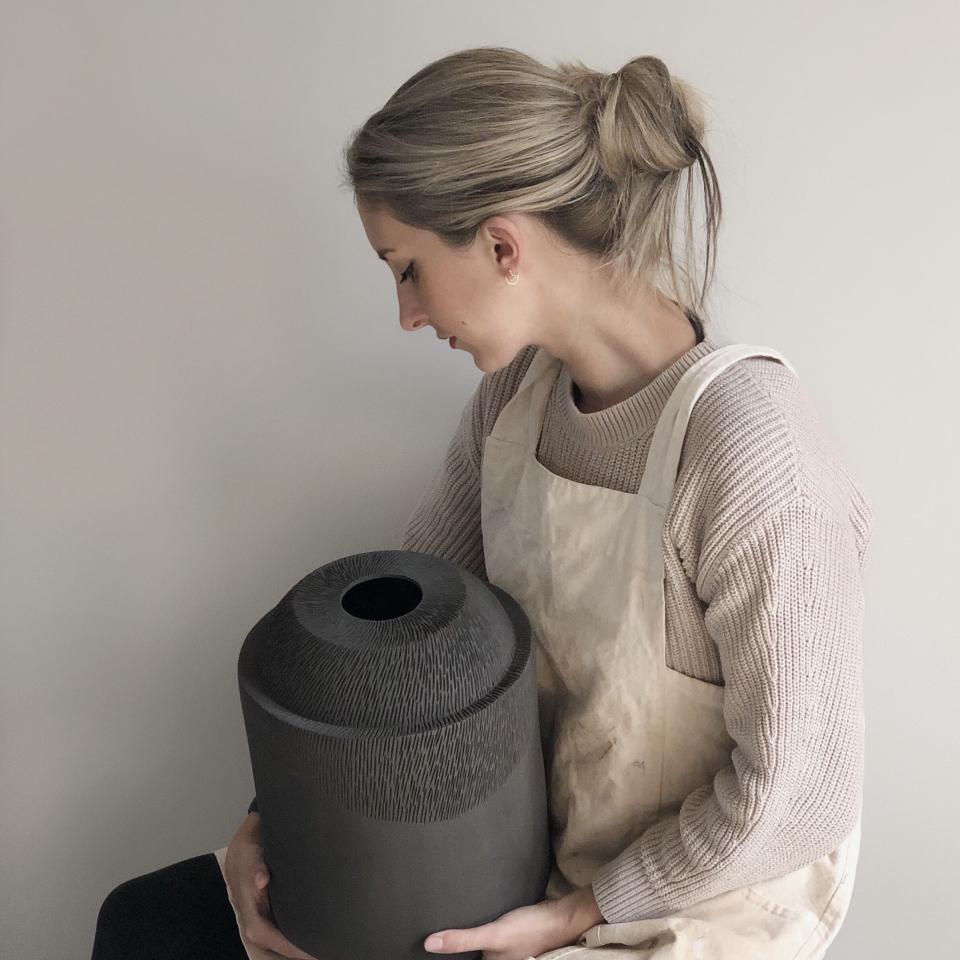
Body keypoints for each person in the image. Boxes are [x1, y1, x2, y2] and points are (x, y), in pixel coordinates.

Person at [92, 47, 873, 960]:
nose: (406, 316)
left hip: (691, 911)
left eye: (408, 268)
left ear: (503, 245)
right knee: (147, 923)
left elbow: (800, 792)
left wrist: (580, 913)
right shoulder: (516, 403)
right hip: (523, 866)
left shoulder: (750, 450)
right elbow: (393, 654)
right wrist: (275, 828)